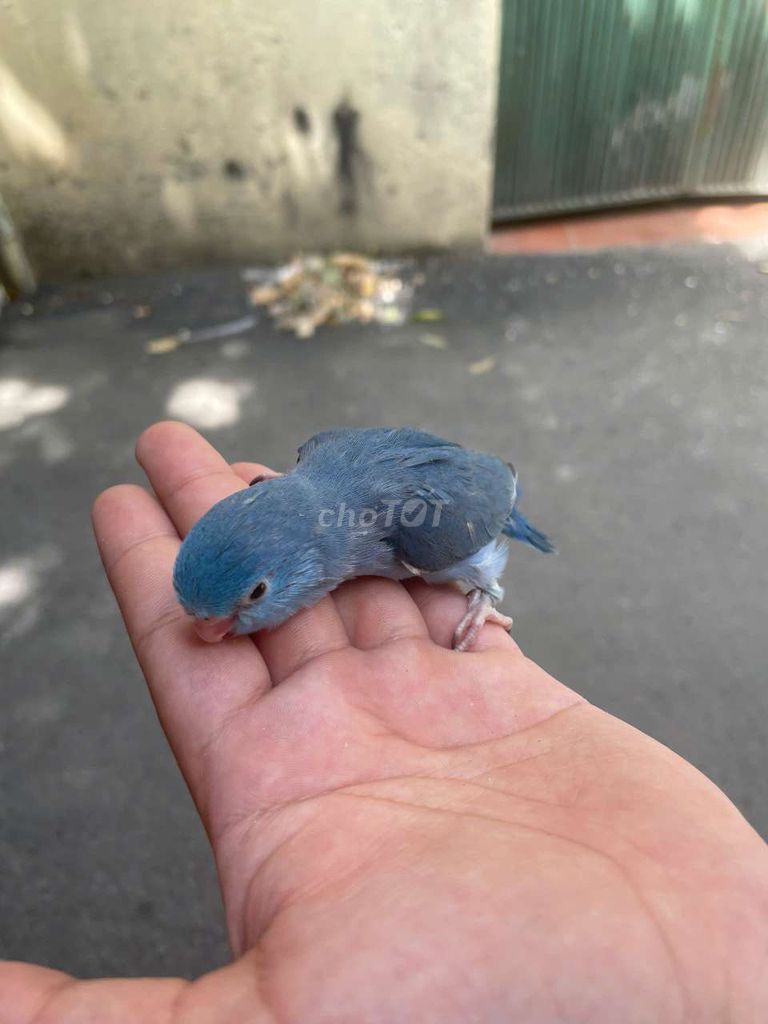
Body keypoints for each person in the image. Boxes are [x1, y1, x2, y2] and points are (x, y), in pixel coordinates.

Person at [2, 421, 767, 1023]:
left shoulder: (421, 526)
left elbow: (473, 482)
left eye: (250, 598)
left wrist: (479, 595)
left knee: (461, 570)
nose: (219, 634)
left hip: (466, 509)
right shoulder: (317, 466)